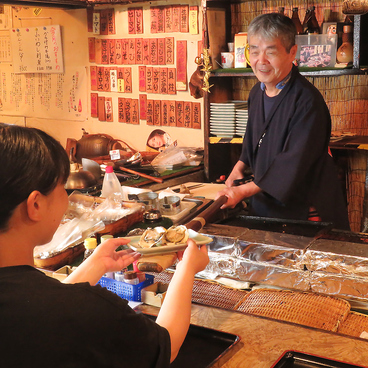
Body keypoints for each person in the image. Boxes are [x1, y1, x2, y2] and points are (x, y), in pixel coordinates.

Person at [0, 123, 209, 367]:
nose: (66, 198)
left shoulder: (32, 303)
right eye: (61, 186)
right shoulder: (84, 309)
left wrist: (94, 265)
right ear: (35, 205)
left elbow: (38, 302)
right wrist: (187, 270)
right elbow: (164, 345)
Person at [216, 13, 350, 230]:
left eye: (271, 52)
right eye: (255, 51)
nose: (261, 61)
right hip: (266, 203)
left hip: (303, 209)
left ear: (292, 53)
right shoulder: (256, 94)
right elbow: (252, 139)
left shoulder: (307, 101)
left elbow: (293, 162)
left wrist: (241, 191)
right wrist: (239, 167)